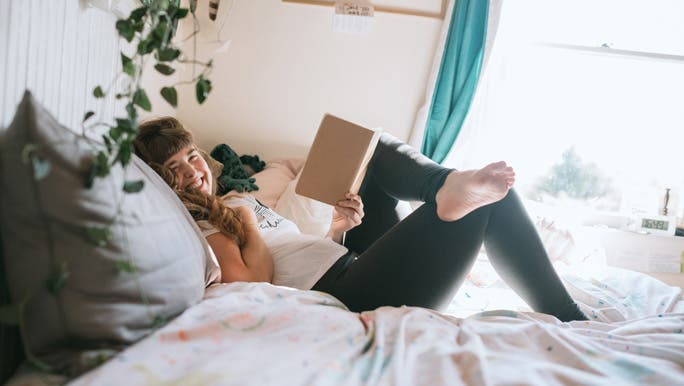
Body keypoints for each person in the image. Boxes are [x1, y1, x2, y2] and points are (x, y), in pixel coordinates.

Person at [133, 117, 588, 322]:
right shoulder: (200, 225)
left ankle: (441, 186)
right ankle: (569, 317)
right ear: (159, 183)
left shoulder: (233, 201)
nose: (191, 173)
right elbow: (254, 281)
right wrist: (244, 221)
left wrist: (338, 229)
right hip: (353, 292)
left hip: (347, 263)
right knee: (493, 202)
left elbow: (292, 254)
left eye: (192, 157)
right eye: (174, 170)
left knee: (369, 150)